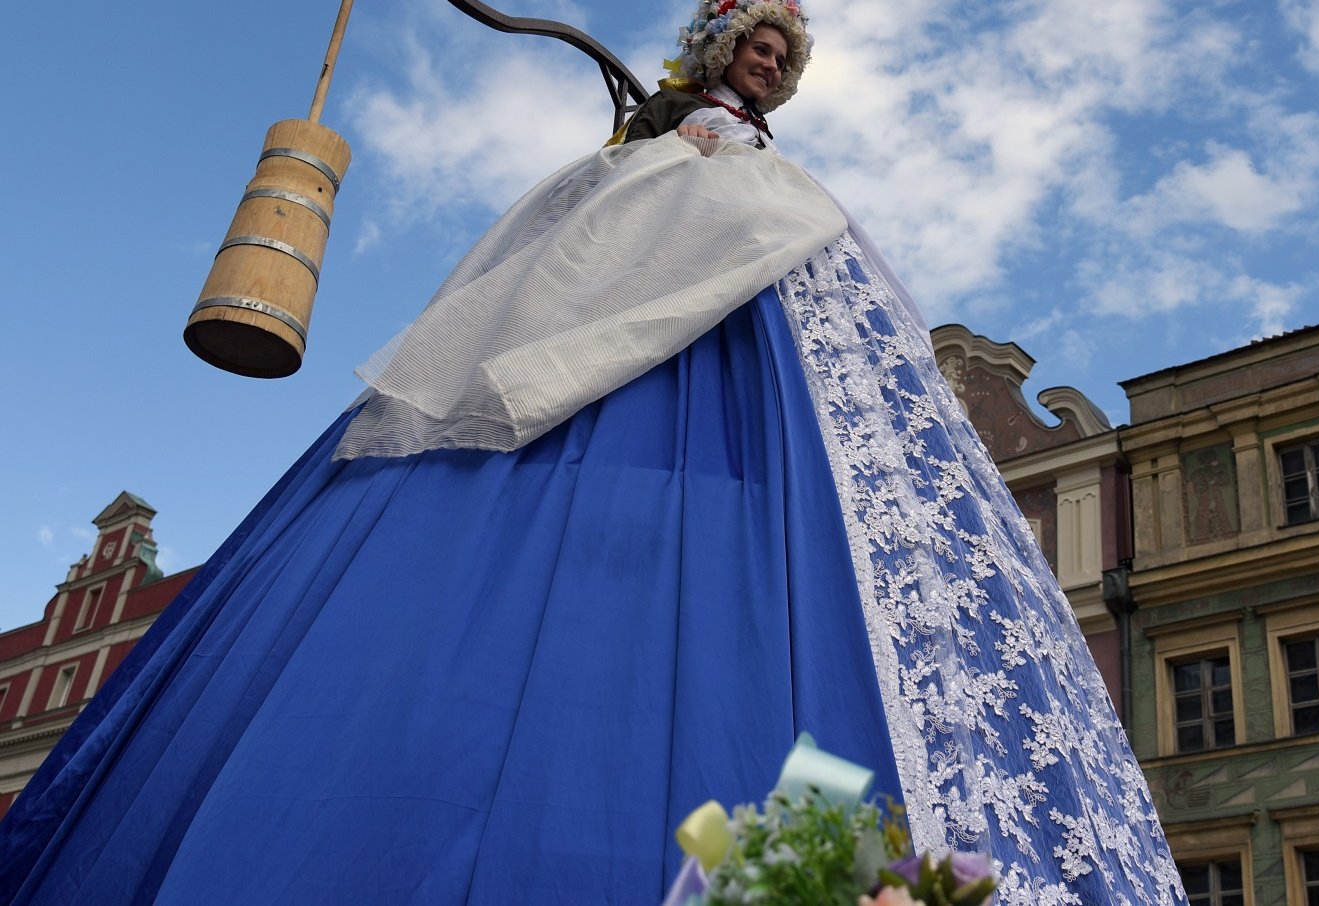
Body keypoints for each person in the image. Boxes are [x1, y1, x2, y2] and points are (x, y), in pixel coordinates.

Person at [0, 2, 1184, 903]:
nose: (769, 59)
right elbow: (598, 249)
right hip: (645, 308)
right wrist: (658, 172)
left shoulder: (773, 179)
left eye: (784, 51)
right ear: (714, 50)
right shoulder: (658, 155)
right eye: (755, 43)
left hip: (766, 349)